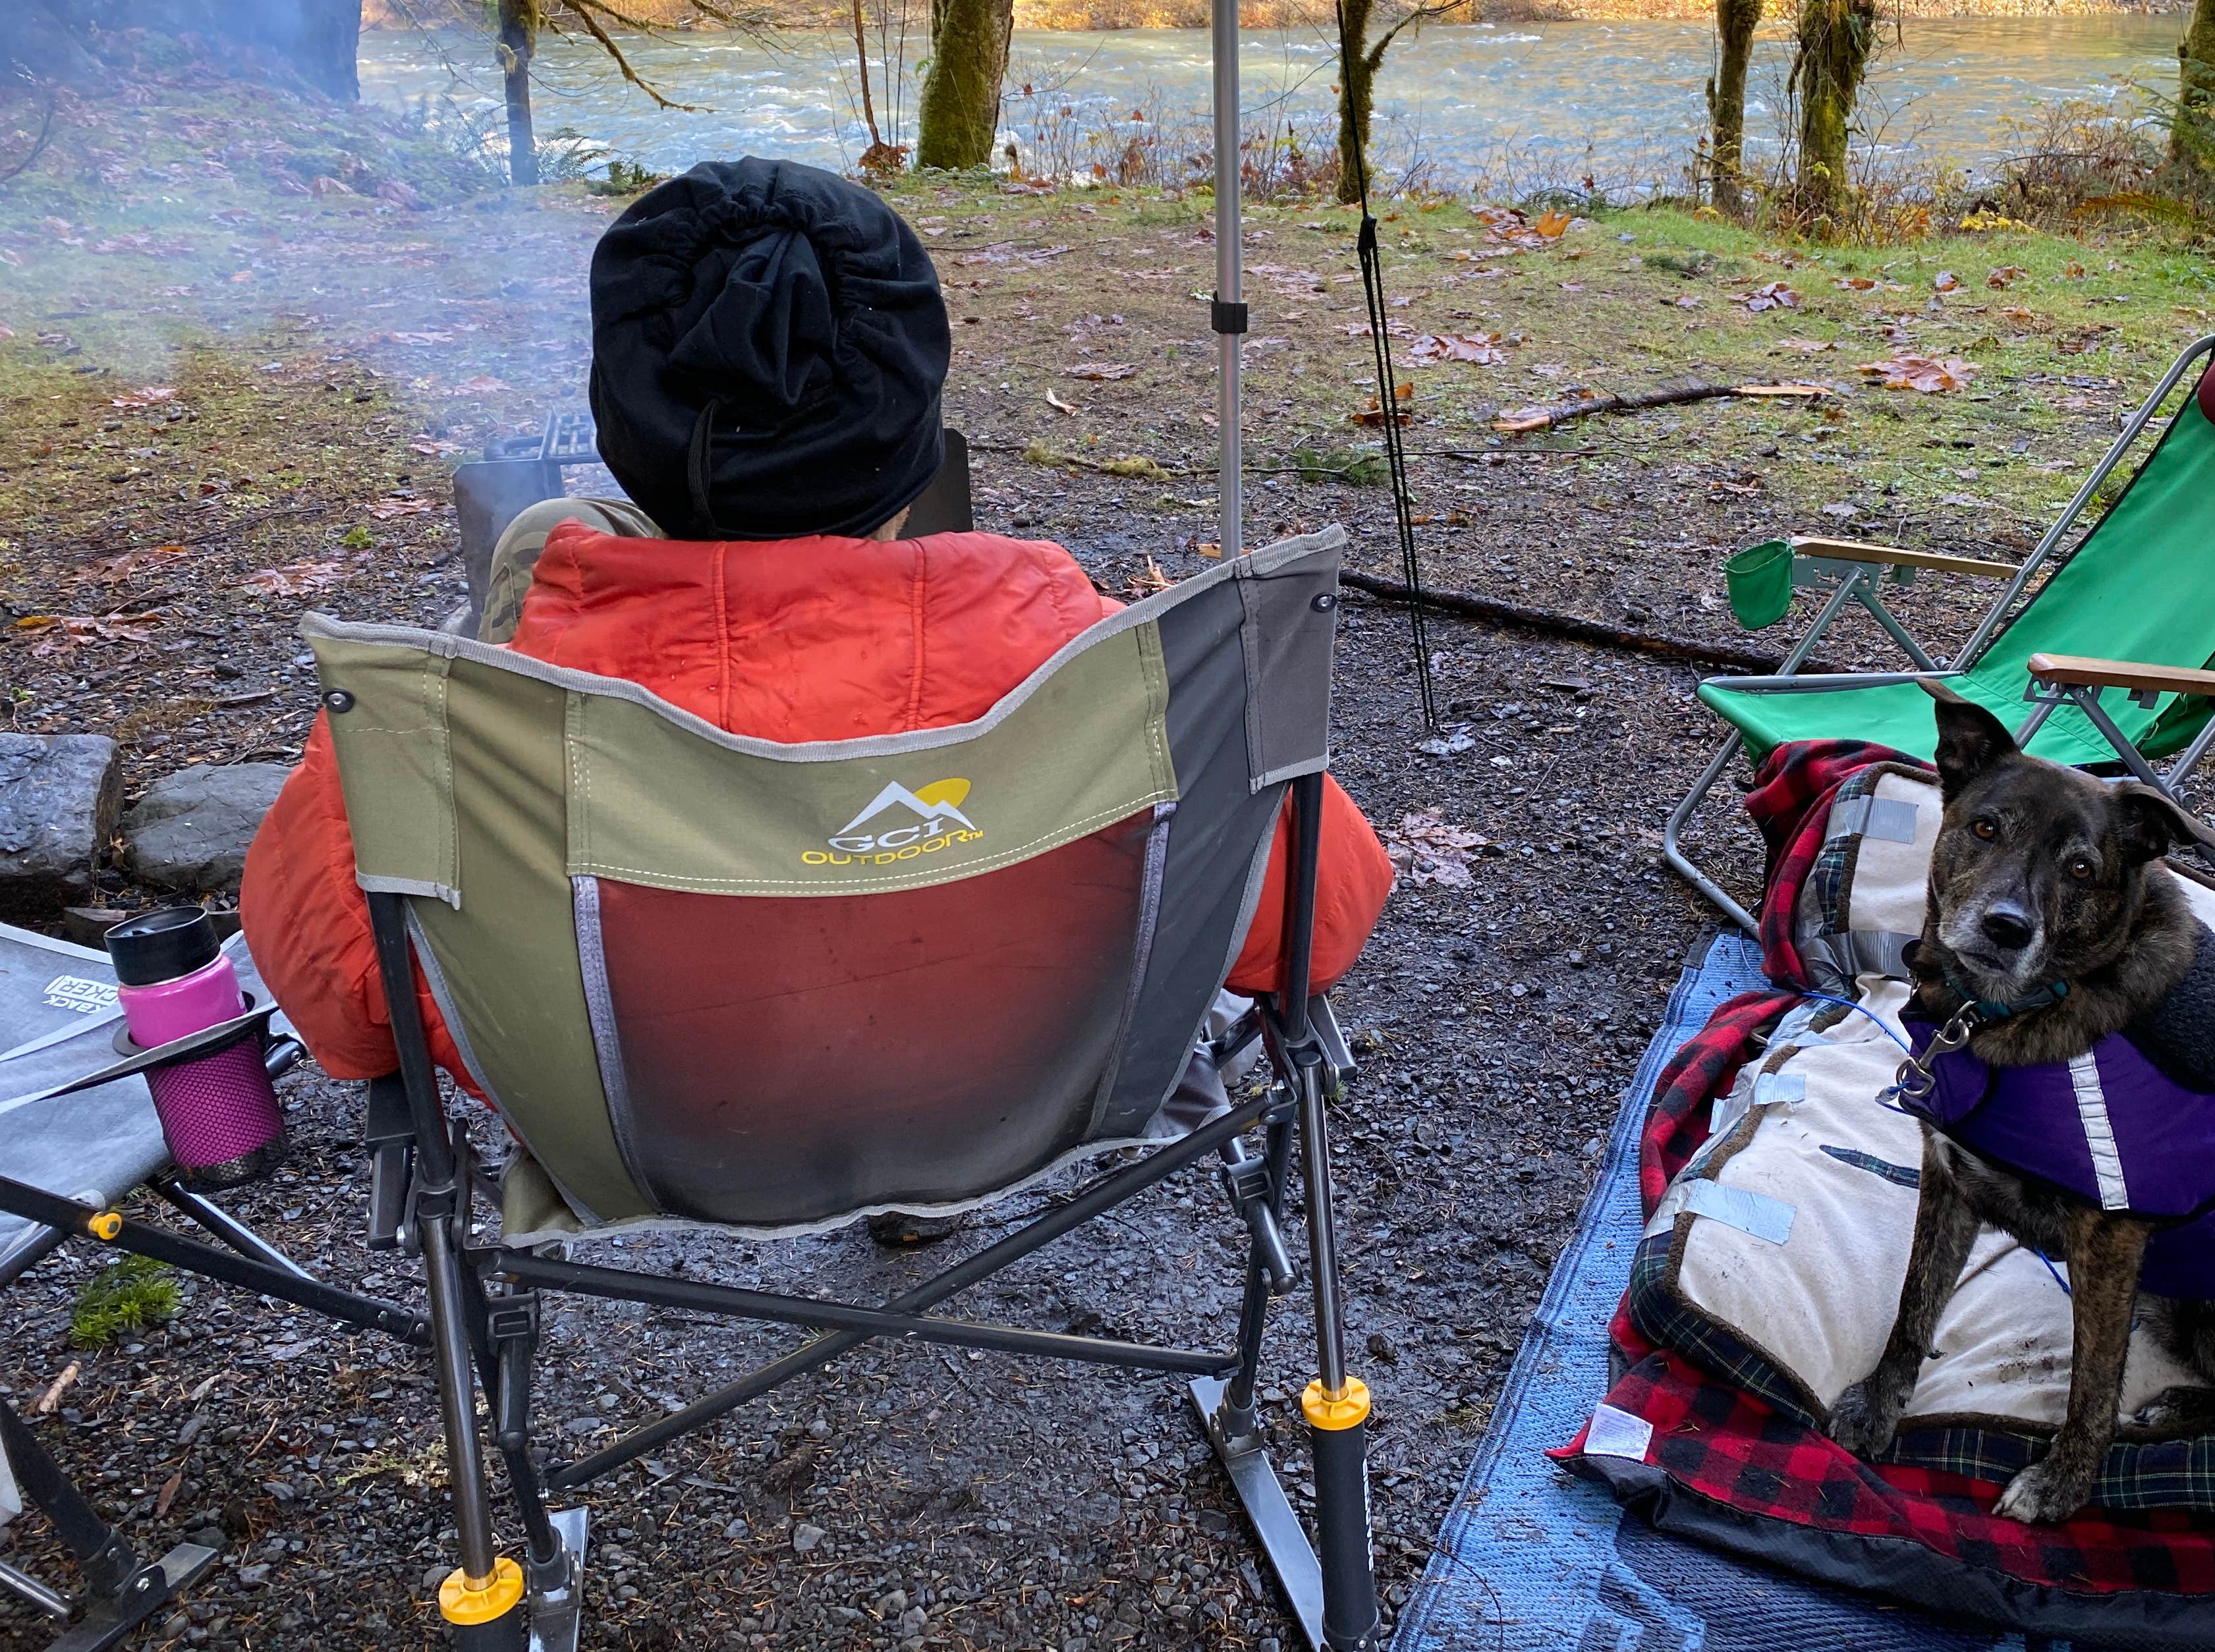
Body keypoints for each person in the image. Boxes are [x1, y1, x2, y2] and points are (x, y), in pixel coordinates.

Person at [240, 157, 1394, 1127]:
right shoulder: (1104, 671)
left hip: (642, 1134)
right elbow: (1322, 922)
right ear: (913, 434)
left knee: (544, 554)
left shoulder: (455, 731)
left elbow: (344, 1006)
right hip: (1021, 1097)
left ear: (622, 430)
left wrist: (522, 628)